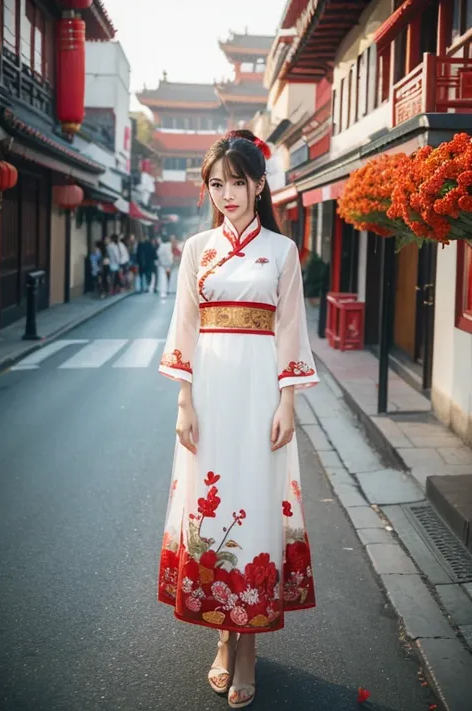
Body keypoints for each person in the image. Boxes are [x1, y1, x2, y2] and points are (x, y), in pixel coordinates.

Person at [157, 129, 319, 708]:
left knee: (254, 509)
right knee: (213, 506)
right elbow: (184, 327)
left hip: (258, 398)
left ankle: (247, 648)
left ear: (259, 185)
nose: (226, 194)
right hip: (210, 395)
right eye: (216, 183)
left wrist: (287, 402)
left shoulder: (281, 252)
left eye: (237, 182)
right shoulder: (197, 248)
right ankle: (224, 639)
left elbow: (290, 331)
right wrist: (184, 401)